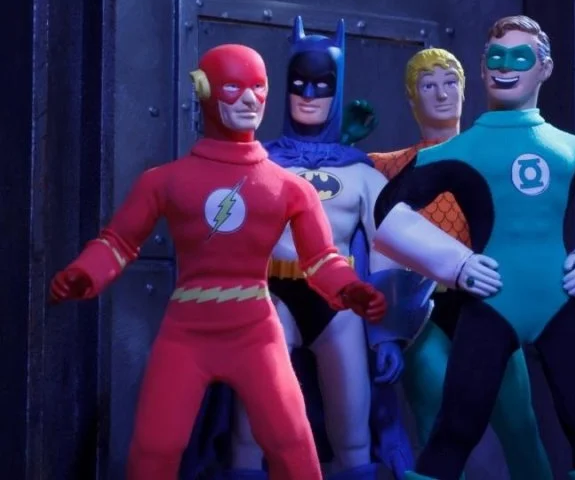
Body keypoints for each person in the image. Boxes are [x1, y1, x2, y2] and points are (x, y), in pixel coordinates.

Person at [48, 44, 387, 480]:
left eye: (258, 87)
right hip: (186, 334)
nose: (249, 100)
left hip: (256, 331)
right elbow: (118, 242)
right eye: (233, 87)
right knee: (155, 448)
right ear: (204, 90)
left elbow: (320, 259)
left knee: (292, 444)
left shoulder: (290, 188)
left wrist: (348, 288)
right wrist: (86, 272)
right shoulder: (165, 181)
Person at [373, 15, 575, 480]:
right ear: (482, 69)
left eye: (520, 57)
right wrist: (456, 262)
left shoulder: (574, 148)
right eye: (496, 58)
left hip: (558, 301)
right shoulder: (458, 151)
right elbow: (388, 212)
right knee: (455, 428)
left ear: (545, 67)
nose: (506, 67)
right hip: (489, 303)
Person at [230, 18, 412, 480]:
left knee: (353, 434)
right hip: (269, 297)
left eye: (322, 85)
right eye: (299, 83)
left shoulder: (361, 173)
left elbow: (388, 249)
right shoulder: (256, 161)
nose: (309, 95)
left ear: (338, 89)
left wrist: (387, 334)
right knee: (248, 432)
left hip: (339, 303)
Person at [368, 47, 551, 480]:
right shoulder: (385, 166)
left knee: (519, 424)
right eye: (428, 85)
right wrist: (339, 144)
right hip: (422, 306)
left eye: (450, 82)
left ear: (465, 90)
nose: (441, 93)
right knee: (435, 425)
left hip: (488, 302)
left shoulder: (494, 155)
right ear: (411, 97)